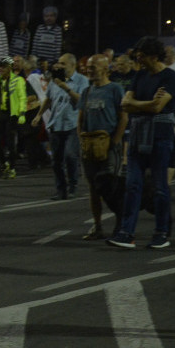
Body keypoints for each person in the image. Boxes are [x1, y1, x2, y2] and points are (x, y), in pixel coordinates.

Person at [108, 36, 175, 250]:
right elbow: (125, 104)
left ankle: (161, 233)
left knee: (159, 187)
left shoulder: (171, 77)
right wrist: (147, 103)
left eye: (141, 55)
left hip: (160, 136)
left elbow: (157, 108)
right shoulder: (140, 76)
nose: (138, 59)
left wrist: (138, 104)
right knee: (132, 186)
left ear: (153, 55)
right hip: (138, 135)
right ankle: (126, 232)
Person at [77, 54, 127, 239]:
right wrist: (81, 140)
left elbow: (123, 117)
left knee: (112, 187)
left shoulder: (115, 89)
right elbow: (81, 119)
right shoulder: (87, 91)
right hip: (90, 147)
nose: (89, 70)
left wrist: (115, 142)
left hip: (109, 147)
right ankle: (97, 226)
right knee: (93, 188)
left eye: (94, 67)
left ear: (106, 69)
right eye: (88, 67)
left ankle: (121, 225)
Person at [33, 53, 89, 199]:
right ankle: (61, 189)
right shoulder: (54, 81)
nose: (59, 66)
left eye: (63, 63)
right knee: (56, 161)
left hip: (73, 124)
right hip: (56, 124)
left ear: (72, 65)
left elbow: (81, 101)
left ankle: (72, 186)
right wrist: (39, 115)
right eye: (59, 63)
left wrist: (66, 88)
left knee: (70, 156)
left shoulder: (81, 81)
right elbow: (48, 99)